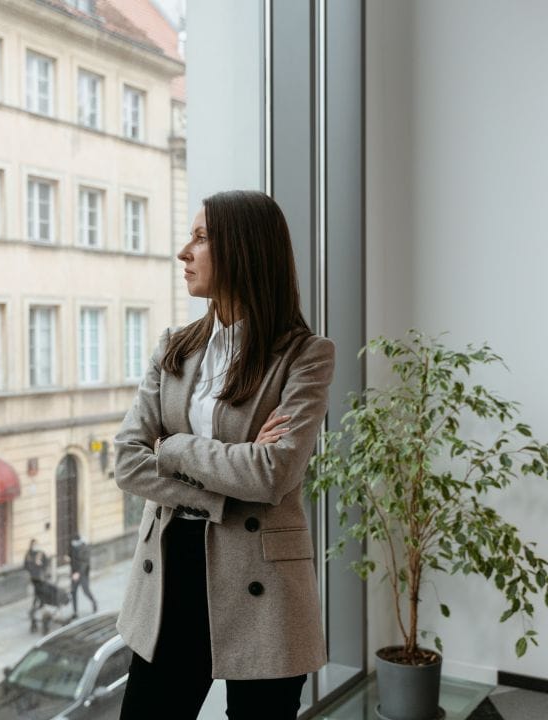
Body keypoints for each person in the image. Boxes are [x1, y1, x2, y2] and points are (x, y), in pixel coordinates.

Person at [112, 190, 336, 719]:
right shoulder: (175, 347)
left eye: (201, 237)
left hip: (264, 577)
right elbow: (127, 460)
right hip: (171, 569)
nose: (184, 252)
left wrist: (174, 447)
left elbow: (271, 475)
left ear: (245, 250)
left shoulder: (305, 356)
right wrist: (225, 476)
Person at [65, 534, 98, 617]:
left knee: (86, 591)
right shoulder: (72, 547)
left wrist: (78, 573)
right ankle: (75, 612)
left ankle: (94, 602)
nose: (73, 543)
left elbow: (85, 563)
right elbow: (71, 556)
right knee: (73, 592)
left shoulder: (85, 548)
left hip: (83, 574)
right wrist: (67, 558)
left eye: (75, 542)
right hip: (74, 573)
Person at [23, 539, 47, 633]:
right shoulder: (28, 554)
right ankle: (38, 606)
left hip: (40, 577)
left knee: (39, 592)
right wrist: (32, 566)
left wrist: (41, 566)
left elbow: (46, 563)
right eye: (33, 544)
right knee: (37, 593)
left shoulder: (41, 553)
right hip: (33, 578)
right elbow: (25, 565)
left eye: (36, 544)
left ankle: (38, 606)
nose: (35, 546)